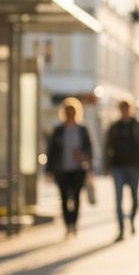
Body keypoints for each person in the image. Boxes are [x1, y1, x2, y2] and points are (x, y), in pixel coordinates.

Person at [104, 100, 139, 241]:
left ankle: (131, 219)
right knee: (118, 199)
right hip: (118, 166)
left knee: (135, 198)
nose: (124, 111)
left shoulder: (138, 126)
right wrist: (107, 166)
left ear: (130, 109)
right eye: (122, 108)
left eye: (126, 108)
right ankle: (121, 229)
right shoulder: (114, 127)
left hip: (134, 167)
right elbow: (107, 147)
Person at [45, 97, 93, 238]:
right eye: (67, 111)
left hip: (78, 169)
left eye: (72, 111)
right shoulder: (58, 130)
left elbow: (89, 149)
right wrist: (49, 170)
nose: (70, 113)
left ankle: (74, 224)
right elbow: (51, 150)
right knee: (64, 198)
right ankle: (67, 224)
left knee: (77, 197)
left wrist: (86, 160)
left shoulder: (82, 129)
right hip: (62, 170)